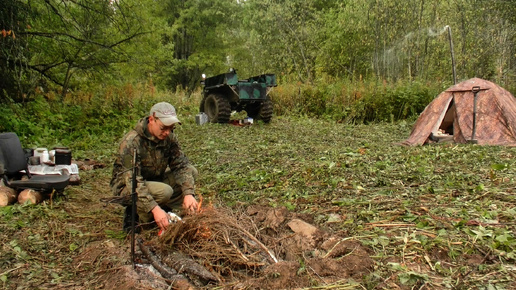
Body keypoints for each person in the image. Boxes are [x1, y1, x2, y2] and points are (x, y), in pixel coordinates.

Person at [110, 102, 199, 233]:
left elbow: (181, 165)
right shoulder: (131, 142)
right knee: (165, 191)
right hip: (127, 187)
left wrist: (188, 193)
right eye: (163, 128)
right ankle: (141, 216)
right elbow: (133, 182)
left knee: (191, 171)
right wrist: (155, 209)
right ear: (152, 120)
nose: (167, 132)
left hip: (154, 180)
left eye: (171, 128)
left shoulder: (169, 138)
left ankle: (166, 210)